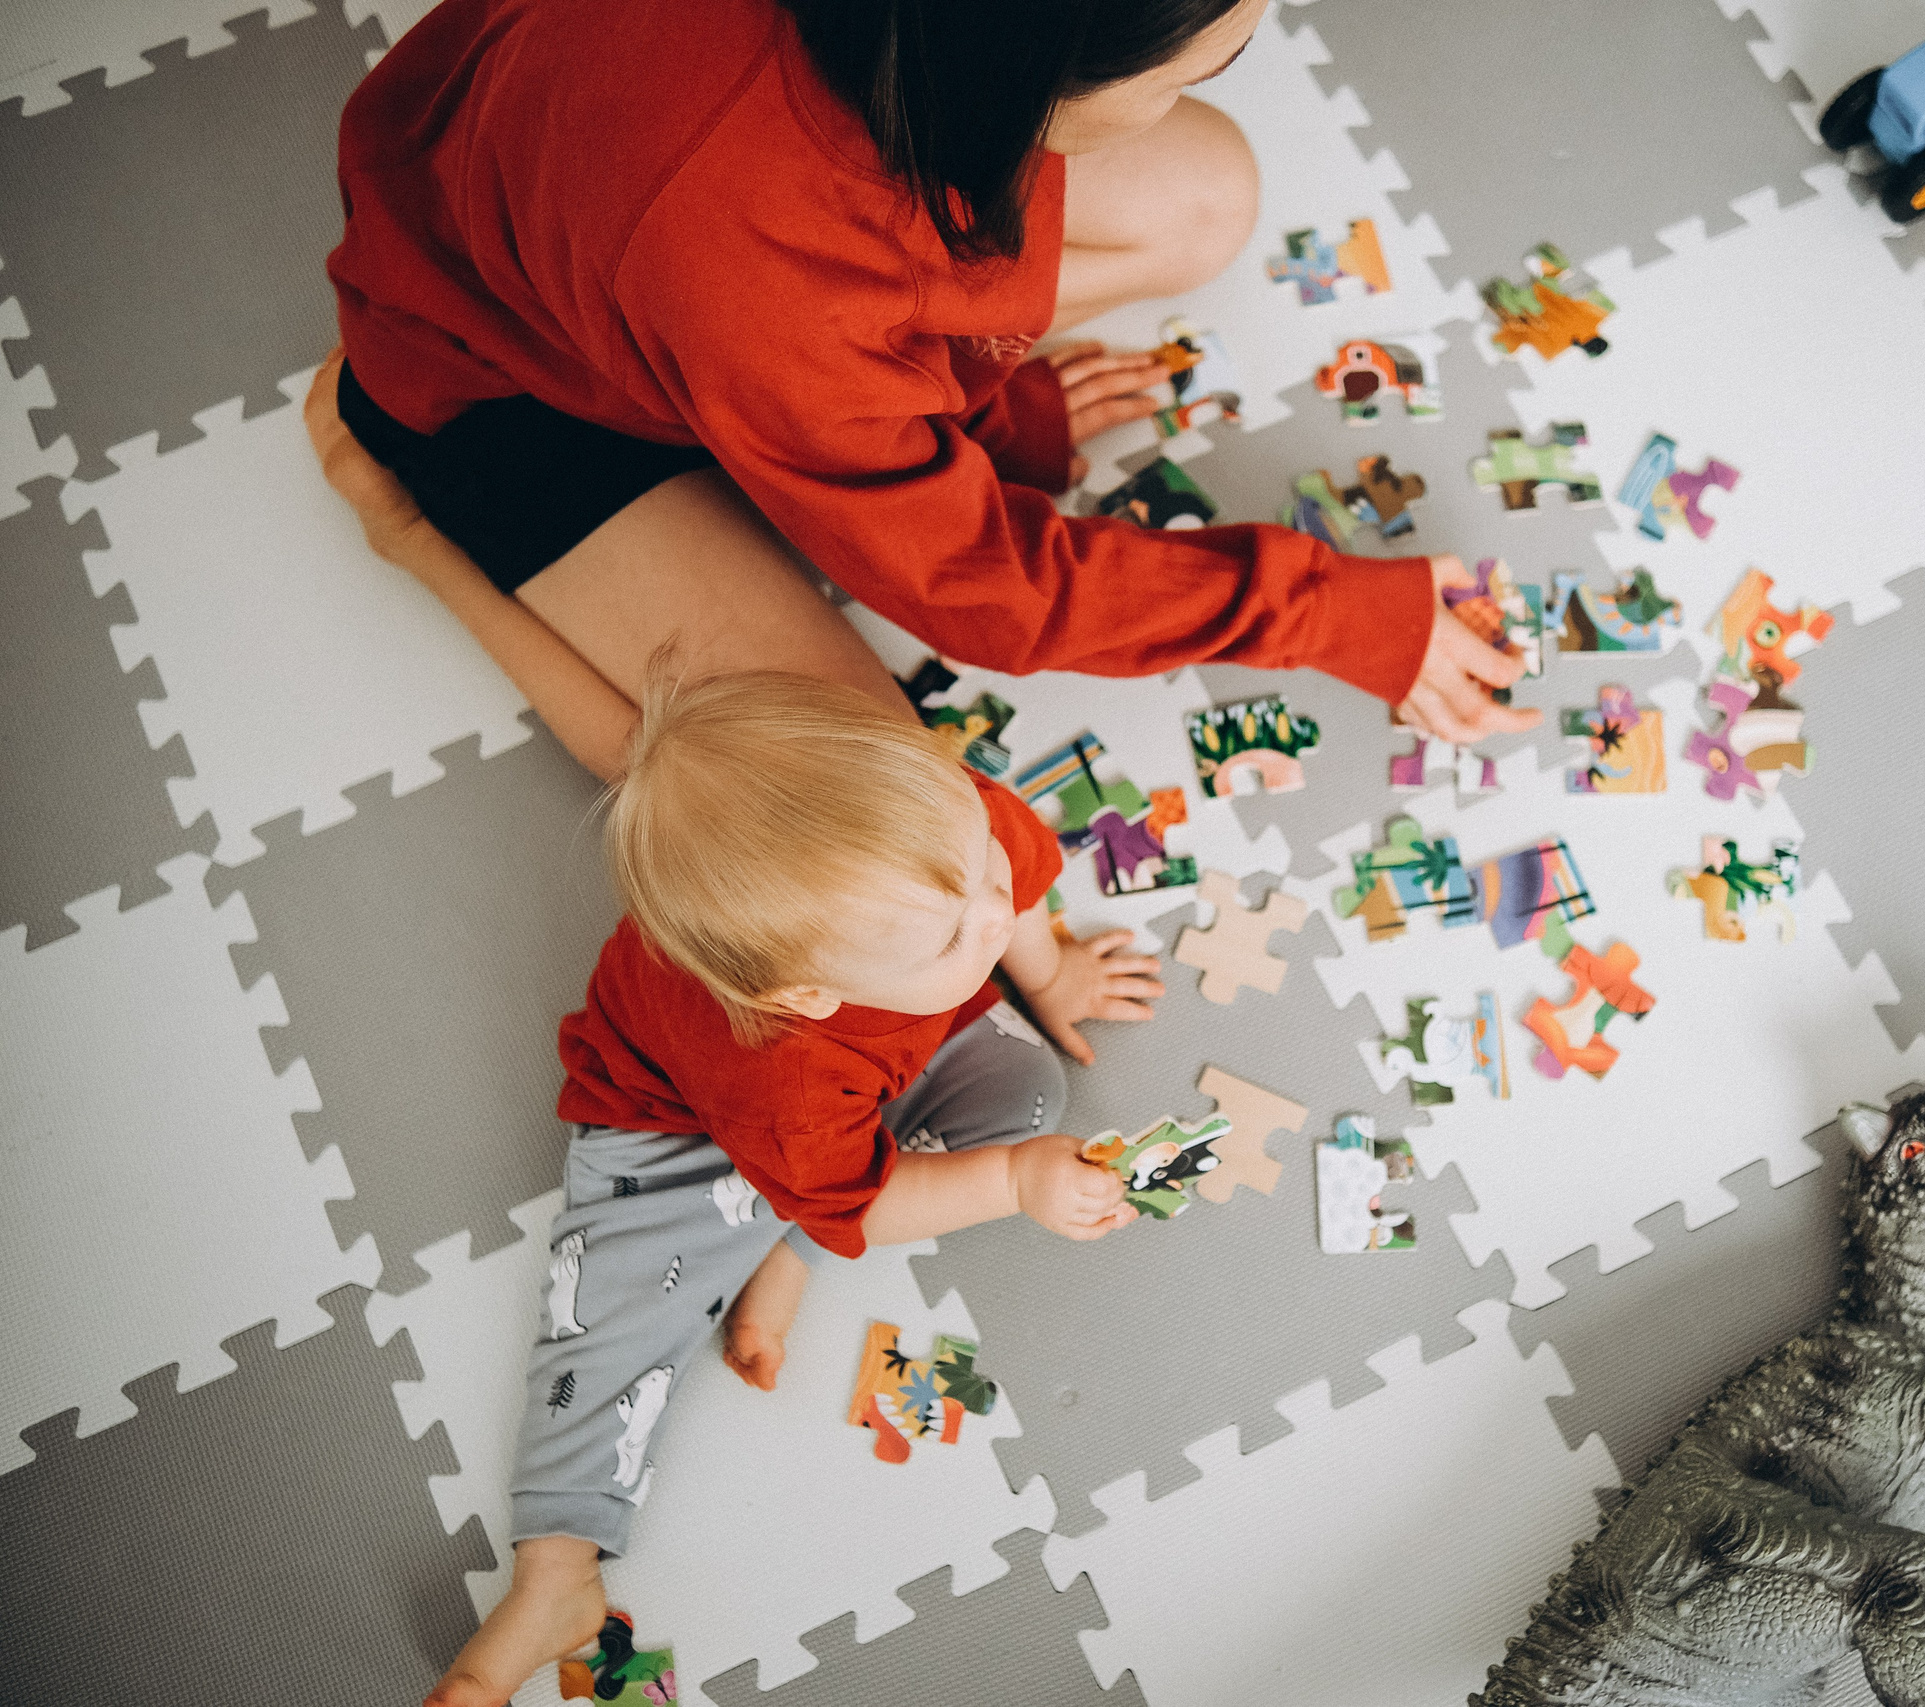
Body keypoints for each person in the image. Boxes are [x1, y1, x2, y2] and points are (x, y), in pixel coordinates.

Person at [324, 0, 1534, 784]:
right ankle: (406, 525)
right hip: (511, 404)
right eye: (1188, 69)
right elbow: (980, 592)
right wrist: (1321, 610)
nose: (1208, 78)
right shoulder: (756, 274)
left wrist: (976, 397)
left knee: (1204, 189)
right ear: (1017, 67)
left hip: (645, 260)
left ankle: (874, 407)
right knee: (859, 792)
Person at [422, 667, 1162, 1707]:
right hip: (672, 1125)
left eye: (983, 867)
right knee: (608, 1323)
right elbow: (867, 1198)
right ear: (809, 990)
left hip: (871, 1083)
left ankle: (787, 1244)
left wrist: (1045, 974)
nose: (995, 914)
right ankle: (555, 1577)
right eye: (955, 936)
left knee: (1025, 1087)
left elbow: (1010, 886)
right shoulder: (784, 1072)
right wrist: (1009, 1182)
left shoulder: (951, 836)